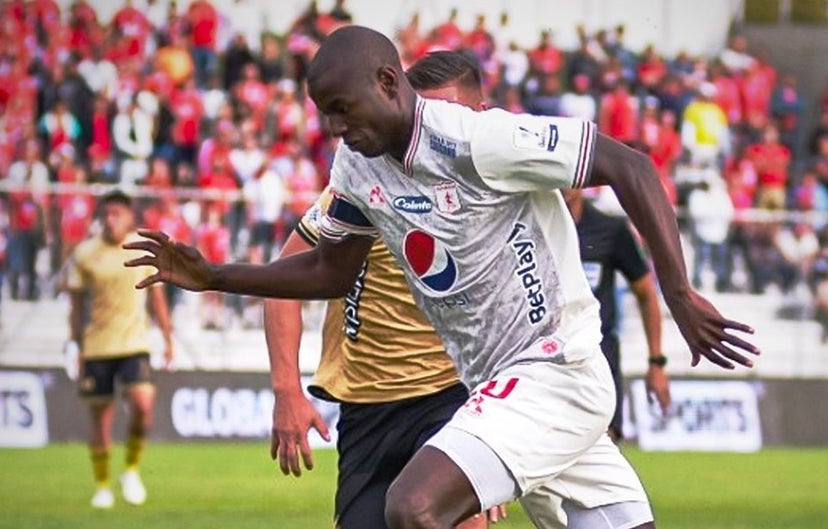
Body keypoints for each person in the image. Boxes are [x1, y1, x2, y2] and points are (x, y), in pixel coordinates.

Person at [125, 26, 759, 529]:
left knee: (413, 507)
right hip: (495, 382)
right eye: (325, 115)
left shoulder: (478, 139)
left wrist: (679, 294)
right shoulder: (357, 166)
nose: (335, 128)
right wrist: (217, 275)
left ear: (388, 82)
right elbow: (330, 268)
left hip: (554, 370)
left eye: (342, 109)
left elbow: (629, 165)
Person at [265, 50, 499, 529]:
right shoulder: (367, 184)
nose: (437, 130)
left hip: (453, 398)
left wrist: (495, 442)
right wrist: (286, 390)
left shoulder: (501, 190)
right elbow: (284, 279)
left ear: (480, 115)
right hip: (368, 409)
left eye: (451, 116)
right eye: (427, 115)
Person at [67, 190, 174, 509]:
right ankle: (102, 486)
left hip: (134, 343)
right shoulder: (85, 253)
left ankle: (130, 471)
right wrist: (74, 345)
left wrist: (168, 339)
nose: (111, 220)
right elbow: (76, 305)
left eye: (117, 214)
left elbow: (157, 298)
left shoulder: (141, 249)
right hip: (97, 346)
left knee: (142, 403)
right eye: (107, 214)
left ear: (129, 218)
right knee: (101, 419)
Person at [562, 188, 670, 442]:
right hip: (546, 362)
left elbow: (646, 294)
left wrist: (656, 363)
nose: (563, 186)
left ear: (582, 179)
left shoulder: (611, 230)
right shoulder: (531, 226)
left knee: (604, 445)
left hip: (598, 361)